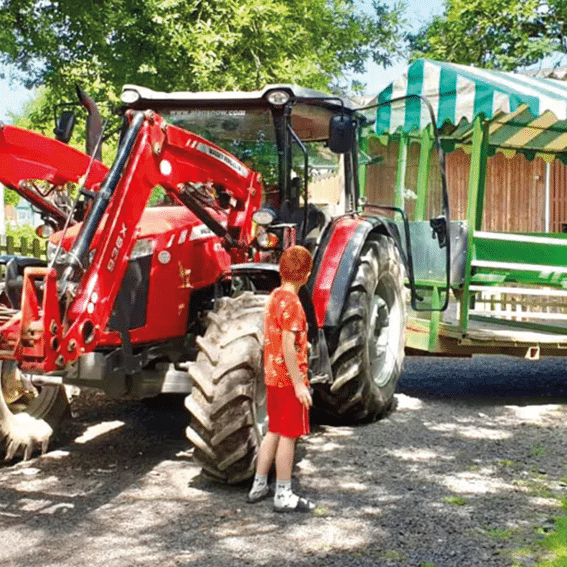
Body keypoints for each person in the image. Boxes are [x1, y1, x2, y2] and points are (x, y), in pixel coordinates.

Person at [247, 245, 316, 513]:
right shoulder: (295, 306)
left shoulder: (274, 297)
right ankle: (284, 493)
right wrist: (299, 383)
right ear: (307, 275)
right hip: (289, 381)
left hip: (272, 378)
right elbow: (289, 346)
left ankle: (259, 484)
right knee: (289, 435)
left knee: (273, 431)